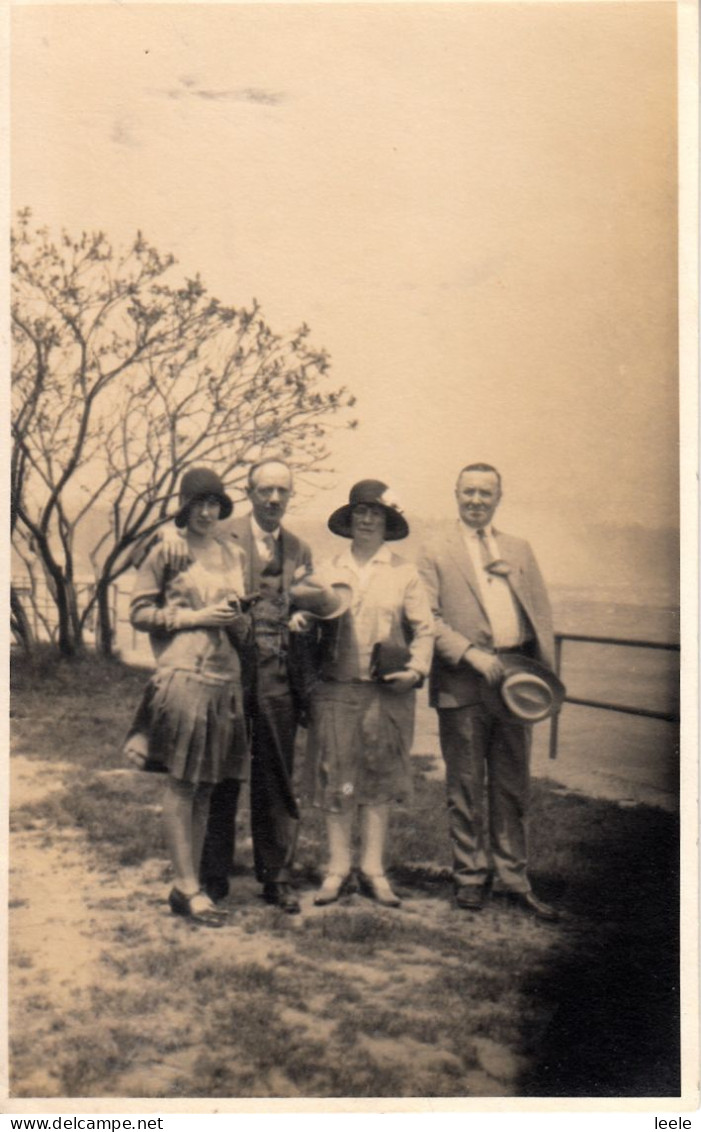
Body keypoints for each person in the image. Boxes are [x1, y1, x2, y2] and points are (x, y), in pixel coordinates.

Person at [151, 457, 313, 913]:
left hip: (277, 676)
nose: (274, 499)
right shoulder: (222, 534)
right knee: (218, 773)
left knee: (275, 774)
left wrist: (304, 615)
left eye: (283, 491)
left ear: (290, 496)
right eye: (265, 490)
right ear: (249, 492)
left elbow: (311, 599)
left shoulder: (300, 548)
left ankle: (276, 876)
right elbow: (182, 550)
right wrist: (167, 534)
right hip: (225, 673)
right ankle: (211, 874)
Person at [418, 463, 559, 920]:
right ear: (455, 493)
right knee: (465, 786)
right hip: (464, 680)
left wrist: (544, 683)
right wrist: (470, 654)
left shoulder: (519, 548)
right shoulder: (435, 549)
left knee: (513, 785)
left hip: (516, 679)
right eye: (469, 492)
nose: (476, 500)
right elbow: (427, 619)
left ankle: (515, 879)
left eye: (486, 493)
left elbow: (540, 614)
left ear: (499, 497)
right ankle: (470, 877)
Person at [123, 467, 251, 928]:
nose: (207, 512)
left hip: (225, 678)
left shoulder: (232, 552)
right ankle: (187, 886)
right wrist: (196, 617)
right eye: (199, 503)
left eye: (214, 504)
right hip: (184, 674)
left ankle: (187, 885)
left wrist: (238, 620)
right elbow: (138, 612)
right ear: (185, 507)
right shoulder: (168, 549)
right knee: (181, 782)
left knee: (207, 784)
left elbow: (238, 617)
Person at [304, 479, 434, 908]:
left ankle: (373, 870)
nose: (365, 519)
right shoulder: (328, 568)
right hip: (336, 689)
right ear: (349, 518)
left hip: (386, 693)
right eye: (359, 511)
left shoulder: (404, 572)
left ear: (387, 522)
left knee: (378, 779)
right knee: (336, 778)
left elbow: (425, 629)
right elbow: (305, 612)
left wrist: (415, 670)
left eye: (375, 513)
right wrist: (300, 621)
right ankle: (338, 869)